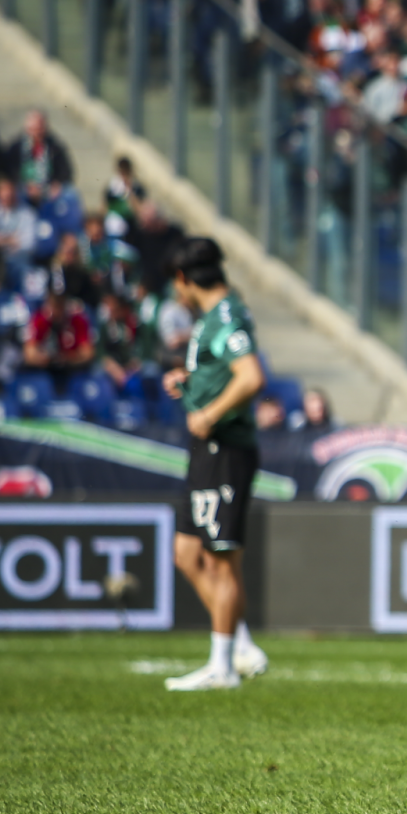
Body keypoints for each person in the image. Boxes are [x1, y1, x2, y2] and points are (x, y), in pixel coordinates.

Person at [160, 238, 269, 692]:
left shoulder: (225, 317)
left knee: (222, 561)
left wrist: (209, 412)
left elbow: (251, 376)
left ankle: (223, 666)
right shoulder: (212, 319)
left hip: (226, 448)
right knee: (187, 554)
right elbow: (225, 371)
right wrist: (191, 381)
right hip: (207, 451)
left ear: (184, 279)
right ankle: (240, 644)